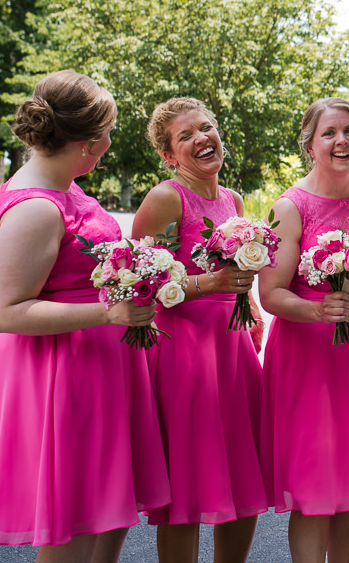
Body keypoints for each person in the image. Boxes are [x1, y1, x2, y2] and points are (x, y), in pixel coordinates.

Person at [0, 70, 168, 562]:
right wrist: (110, 313)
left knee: (106, 519)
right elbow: (5, 312)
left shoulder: (66, 185)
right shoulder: (38, 209)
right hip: (60, 376)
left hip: (100, 367)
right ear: (88, 144)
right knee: (72, 532)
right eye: (109, 132)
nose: (112, 141)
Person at [132, 97, 270, 563]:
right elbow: (139, 281)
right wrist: (208, 283)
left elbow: (238, 270)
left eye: (205, 128)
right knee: (186, 493)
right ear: (170, 156)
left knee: (245, 477)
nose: (201, 139)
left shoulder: (232, 199)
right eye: (185, 136)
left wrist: (247, 305)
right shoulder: (166, 198)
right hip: (184, 354)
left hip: (232, 349)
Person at [259, 97, 349, 563]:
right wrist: (317, 312)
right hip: (308, 355)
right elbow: (271, 293)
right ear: (310, 145)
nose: (342, 141)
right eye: (329, 133)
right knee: (316, 482)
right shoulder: (289, 207)